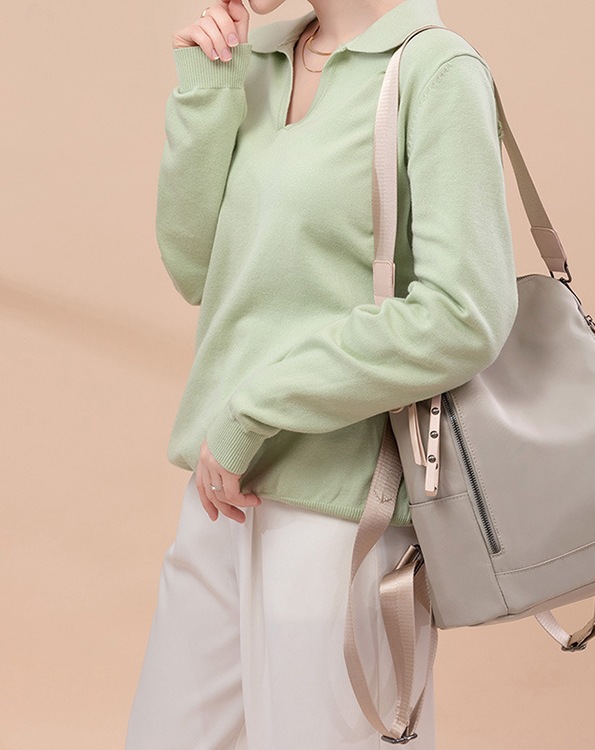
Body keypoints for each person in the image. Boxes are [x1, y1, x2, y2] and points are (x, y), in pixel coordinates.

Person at [125, 0, 518, 747]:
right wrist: (207, 87)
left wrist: (254, 411)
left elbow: (462, 314)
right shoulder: (261, 62)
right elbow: (195, 267)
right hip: (219, 495)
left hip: (344, 513)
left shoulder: (435, 70)